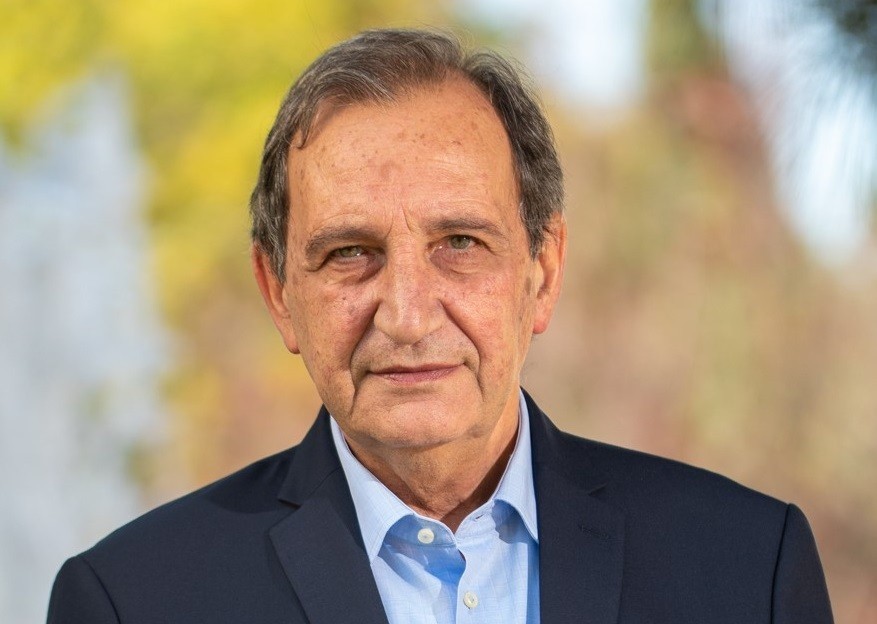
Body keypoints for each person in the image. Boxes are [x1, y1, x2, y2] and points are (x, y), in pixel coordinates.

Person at [47, 28, 833, 623]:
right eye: (350, 253)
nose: (407, 314)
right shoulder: (132, 600)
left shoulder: (746, 570)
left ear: (542, 270)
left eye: (459, 243)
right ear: (278, 291)